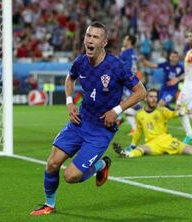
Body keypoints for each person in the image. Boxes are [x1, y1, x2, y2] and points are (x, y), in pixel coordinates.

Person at [31, 21, 146, 216]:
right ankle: (49, 204)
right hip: (80, 121)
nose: (90, 40)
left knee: (71, 176)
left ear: (104, 42)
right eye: (88, 36)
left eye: (95, 37)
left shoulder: (116, 66)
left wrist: (116, 110)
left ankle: (101, 164)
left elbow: (141, 91)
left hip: (101, 129)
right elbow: (70, 79)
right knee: (52, 163)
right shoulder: (81, 62)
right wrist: (69, 102)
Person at [113, 88, 192, 158]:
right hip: (152, 144)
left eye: (155, 97)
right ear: (146, 98)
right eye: (151, 96)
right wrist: (133, 144)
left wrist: (180, 112)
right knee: (142, 148)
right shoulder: (139, 114)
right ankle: (126, 154)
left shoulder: (161, 110)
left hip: (167, 141)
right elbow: (138, 132)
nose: (153, 99)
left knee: (191, 152)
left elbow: (172, 114)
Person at [118, 34, 141, 135]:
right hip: (133, 80)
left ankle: (150, 119)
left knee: (134, 106)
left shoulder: (125, 53)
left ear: (129, 41)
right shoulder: (134, 53)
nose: (124, 40)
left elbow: (119, 66)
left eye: (125, 39)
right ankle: (135, 128)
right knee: (124, 105)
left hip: (126, 81)